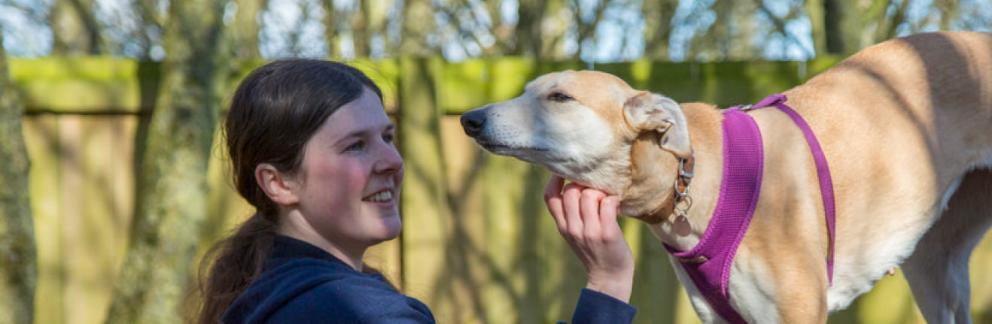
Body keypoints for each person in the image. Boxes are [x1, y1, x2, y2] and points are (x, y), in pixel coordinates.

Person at [195, 59, 636, 324]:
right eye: (355, 146)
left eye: (388, 137)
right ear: (279, 182)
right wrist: (608, 284)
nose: (391, 161)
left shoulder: (265, 290)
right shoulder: (354, 311)